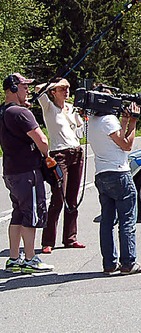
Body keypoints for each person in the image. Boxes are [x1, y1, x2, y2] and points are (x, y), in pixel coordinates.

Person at [86, 99, 141, 275]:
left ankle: (109, 263)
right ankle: (128, 263)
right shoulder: (108, 120)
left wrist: (124, 121)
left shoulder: (93, 121)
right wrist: (134, 122)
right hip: (119, 173)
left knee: (107, 221)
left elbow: (117, 137)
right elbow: (126, 145)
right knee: (127, 219)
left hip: (102, 174)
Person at [1, 73, 54, 273]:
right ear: (13, 89)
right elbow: (42, 140)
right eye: (24, 87)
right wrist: (46, 155)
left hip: (11, 171)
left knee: (18, 213)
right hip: (27, 171)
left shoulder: (4, 112)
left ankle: (14, 257)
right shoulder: (22, 114)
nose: (28, 90)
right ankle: (30, 258)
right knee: (31, 214)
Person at [36, 78, 85, 253]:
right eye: (62, 88)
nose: (66, 91)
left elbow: (80, 132)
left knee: (72, 198)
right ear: (54, 91)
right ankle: (48, 241)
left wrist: (83, 122)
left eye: (68, 88)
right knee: (58, 197)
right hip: (59, 155)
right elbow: (38, 89)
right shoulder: (48, 107)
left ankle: (70, 238)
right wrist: (53, 84)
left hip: (76, 152)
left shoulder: (72, 109)